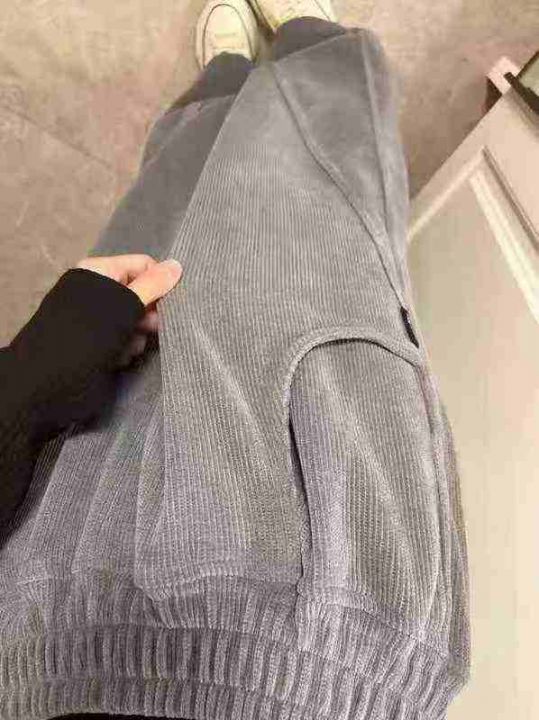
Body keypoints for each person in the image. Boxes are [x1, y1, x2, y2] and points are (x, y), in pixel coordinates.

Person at [0, 0, 471, 719]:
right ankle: (311, 48)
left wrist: (24, 389)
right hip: (321, 637)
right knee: (314, 225)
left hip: (40, 604)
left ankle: (219, 89)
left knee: (155, 242)